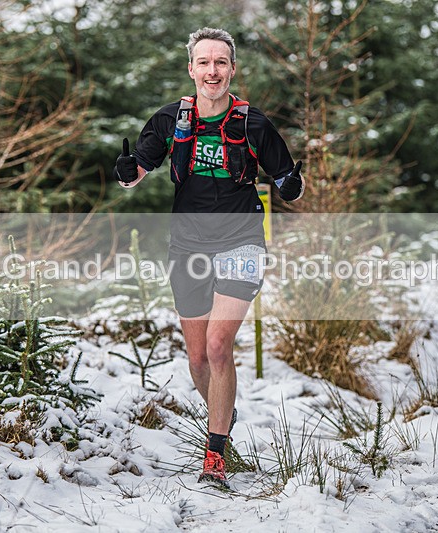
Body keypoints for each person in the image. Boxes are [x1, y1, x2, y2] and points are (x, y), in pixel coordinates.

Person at [114, 27, 304, 488]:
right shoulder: (170, 119)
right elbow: (139, 167)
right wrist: (126, 172)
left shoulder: (252, 123)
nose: (212, 71)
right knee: (198, 357)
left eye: (221, 62)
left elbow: (289, 181)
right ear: (192, 69)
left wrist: (290, 183)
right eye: (204, 62)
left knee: (220, 346)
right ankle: (225, 411)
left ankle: (214, 456)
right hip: (188, 246)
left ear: (232, 69)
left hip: (241, 241)